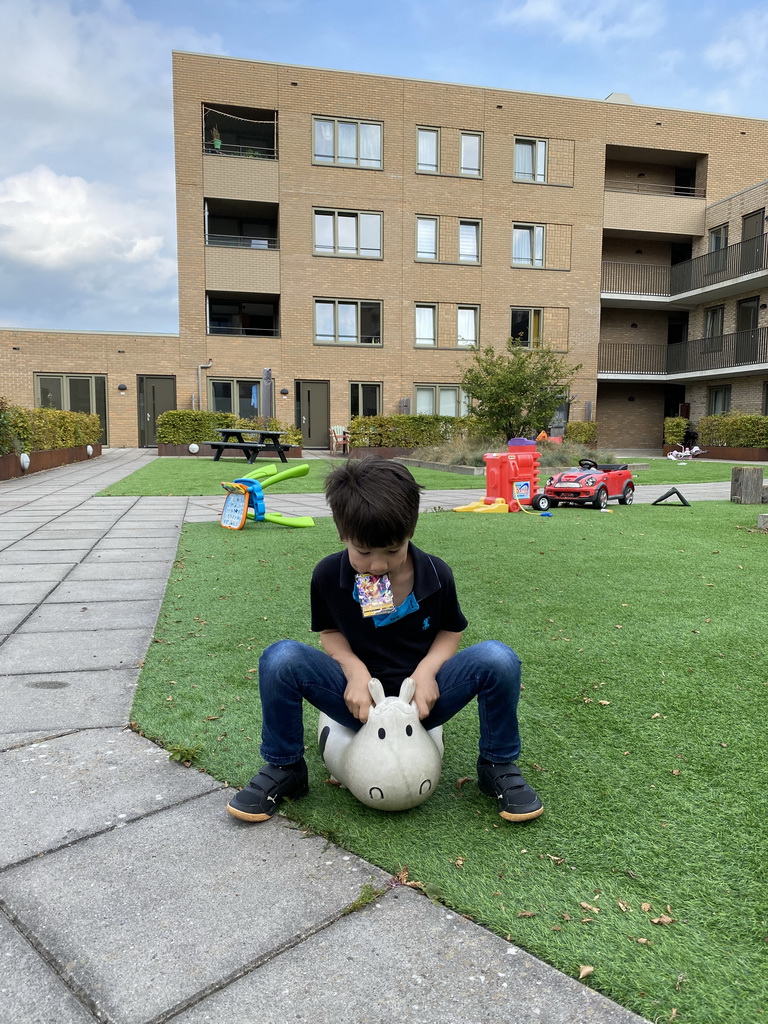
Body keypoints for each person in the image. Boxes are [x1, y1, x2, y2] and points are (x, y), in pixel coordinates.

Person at [226, 457, 543, 825]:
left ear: (411, 530)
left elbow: (449, 631)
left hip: (421, 700)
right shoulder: (328, 574)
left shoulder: (436, 573)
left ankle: (497, 763)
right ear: (342, 533)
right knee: (280, 658)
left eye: (392, 551)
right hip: (356, 697)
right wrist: (355, 672)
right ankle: (286, 767)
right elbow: (330, 632)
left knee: (498, 658)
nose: (378, 566)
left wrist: (426, 674)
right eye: (363, 552)